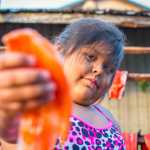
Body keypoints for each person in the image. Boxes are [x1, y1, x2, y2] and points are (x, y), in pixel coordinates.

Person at [0, 18, 125, 149]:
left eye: (109, 68)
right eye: (90, 57)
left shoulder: (110, 120)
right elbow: (14, 135)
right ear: (59, 50)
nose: (99, 70)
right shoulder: (41, 104)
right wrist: (7, 117)